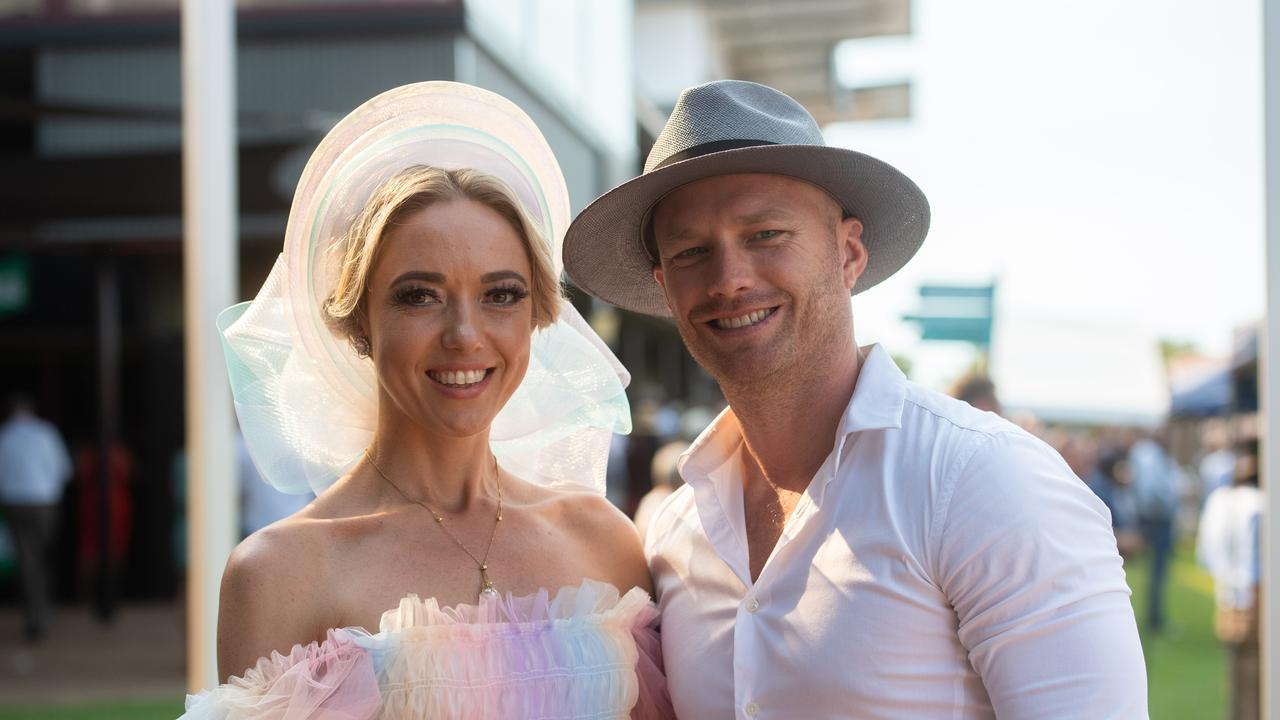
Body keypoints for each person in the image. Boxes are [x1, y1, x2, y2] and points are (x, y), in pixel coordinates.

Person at [564, 79, 1146, 718]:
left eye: (765, 234)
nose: (729, 278)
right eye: (692, 251)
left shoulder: (983, 480)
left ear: (848, 253)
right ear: (665, 287)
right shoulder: (674, 533)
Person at [183, 82, 670, 719]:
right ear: (358, 322)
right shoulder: (282, 573)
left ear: (538, 317)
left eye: (501, 294)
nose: (465, 335)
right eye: (420, 295)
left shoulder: (605, 540)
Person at [1197, 438, 1262, 720]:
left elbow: (1206, 552)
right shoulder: (1258, 503)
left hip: (1230, 594)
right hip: (1254, 596)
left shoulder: (1220, 500)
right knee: (1253, 680)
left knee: (1240, 678)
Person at [0, 394, 71, 641]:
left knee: (28, 560)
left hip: (16, 502)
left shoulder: (5, 436)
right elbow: (63, 470)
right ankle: (41, 613)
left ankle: (36, 615)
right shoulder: (46, 433)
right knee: (41, 557)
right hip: (44, 502)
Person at [1129, 428, 1181, 633]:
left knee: (1156, 573)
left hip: (1154, 518)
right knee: (1157, 573)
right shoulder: (1149, 454)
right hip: (1156, 519)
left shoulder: (1148, 453)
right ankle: (1154, 620)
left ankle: (1154, 618)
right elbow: (1151, 491)